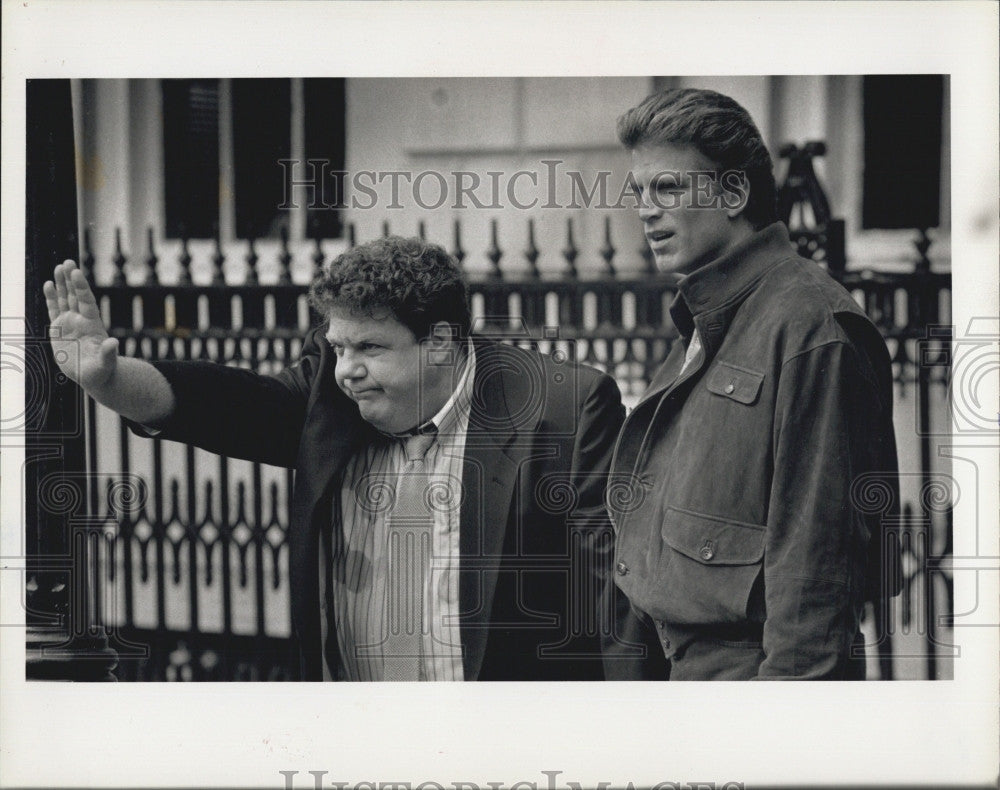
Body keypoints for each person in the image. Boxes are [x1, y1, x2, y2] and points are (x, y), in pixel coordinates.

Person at [43, 236, 626, 681]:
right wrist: (113, 380)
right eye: (338, 346)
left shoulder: (562, 407)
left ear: (443, 342)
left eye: (371, 347)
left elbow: (615, 598)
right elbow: (231, 405)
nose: (346, 368)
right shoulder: (338, 394)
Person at [605, 88, 900, 680]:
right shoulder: (716, 315)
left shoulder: (810, 325)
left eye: (668, 188)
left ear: (734, 193)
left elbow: (815, 576)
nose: (645, 210)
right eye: (640, 192)